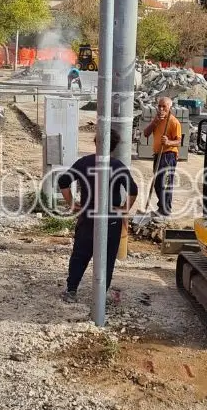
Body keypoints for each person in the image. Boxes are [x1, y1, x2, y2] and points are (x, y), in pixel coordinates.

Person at [57, 127, 138, 304]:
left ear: (96, 142)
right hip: (111, 219)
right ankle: (101, 294)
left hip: (88, 216)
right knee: (107, 257)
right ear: (114, 146)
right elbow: (133, 189)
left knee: (80, 254)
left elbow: (63, 181)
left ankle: (71, 291)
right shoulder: (118, 166)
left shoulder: (84, 163)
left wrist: (72, 204)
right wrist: (124, 208)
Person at [142, 97, 181, 217]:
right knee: (158, 183)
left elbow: (178, 141)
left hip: (168, 155)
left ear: (169, 107)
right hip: (158, 154)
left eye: (164, 106)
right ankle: (161, 208)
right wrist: (154, 122)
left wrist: (169, 142)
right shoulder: (157, 120)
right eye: (159, 106)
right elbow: (146, 133)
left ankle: (166, 211)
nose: (161, 109)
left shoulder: (174, 122)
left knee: (165, 183)